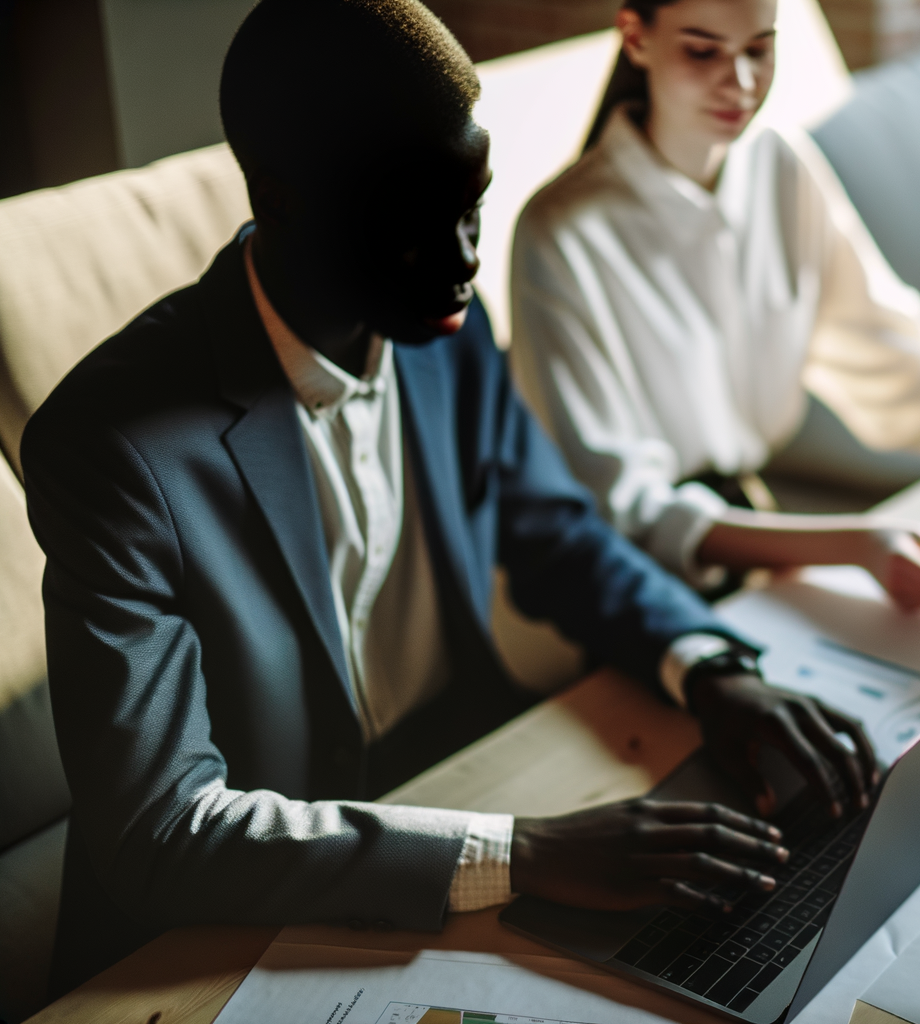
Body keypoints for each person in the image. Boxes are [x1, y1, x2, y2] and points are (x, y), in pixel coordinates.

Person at [23, 0, 876, 995]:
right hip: (209, 938)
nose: (466, 254)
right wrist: (518, 853)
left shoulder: (445, 326)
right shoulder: (113, 444)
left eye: (472, 203)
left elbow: (555, 530)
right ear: (285, 199)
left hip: (451, 792)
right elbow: (163, 829)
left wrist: (708, 670)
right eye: (414, 221)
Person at [508, 0, 920, 612]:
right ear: (636, 38)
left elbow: (897, 365)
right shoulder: (562, 232)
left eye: (759, 49)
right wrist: (856, 544)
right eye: (702, 51)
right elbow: (615, 507)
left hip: (754, 553)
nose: (741, 84)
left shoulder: (779, 165)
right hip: (615, 595)